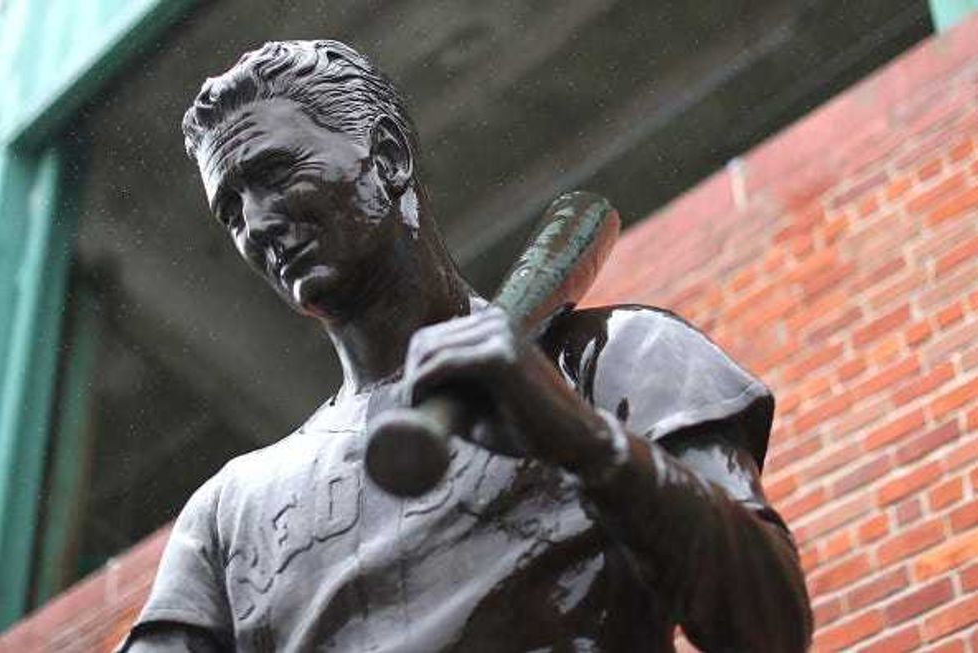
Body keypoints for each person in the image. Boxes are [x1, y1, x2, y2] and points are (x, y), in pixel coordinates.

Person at [121, 40, 812, 652]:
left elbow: (771, 629)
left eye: (273, 172)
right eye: (231, 207)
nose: (258, 222)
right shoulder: (227, 509)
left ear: (386, 156)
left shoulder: (613, 356)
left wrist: (580, 440)